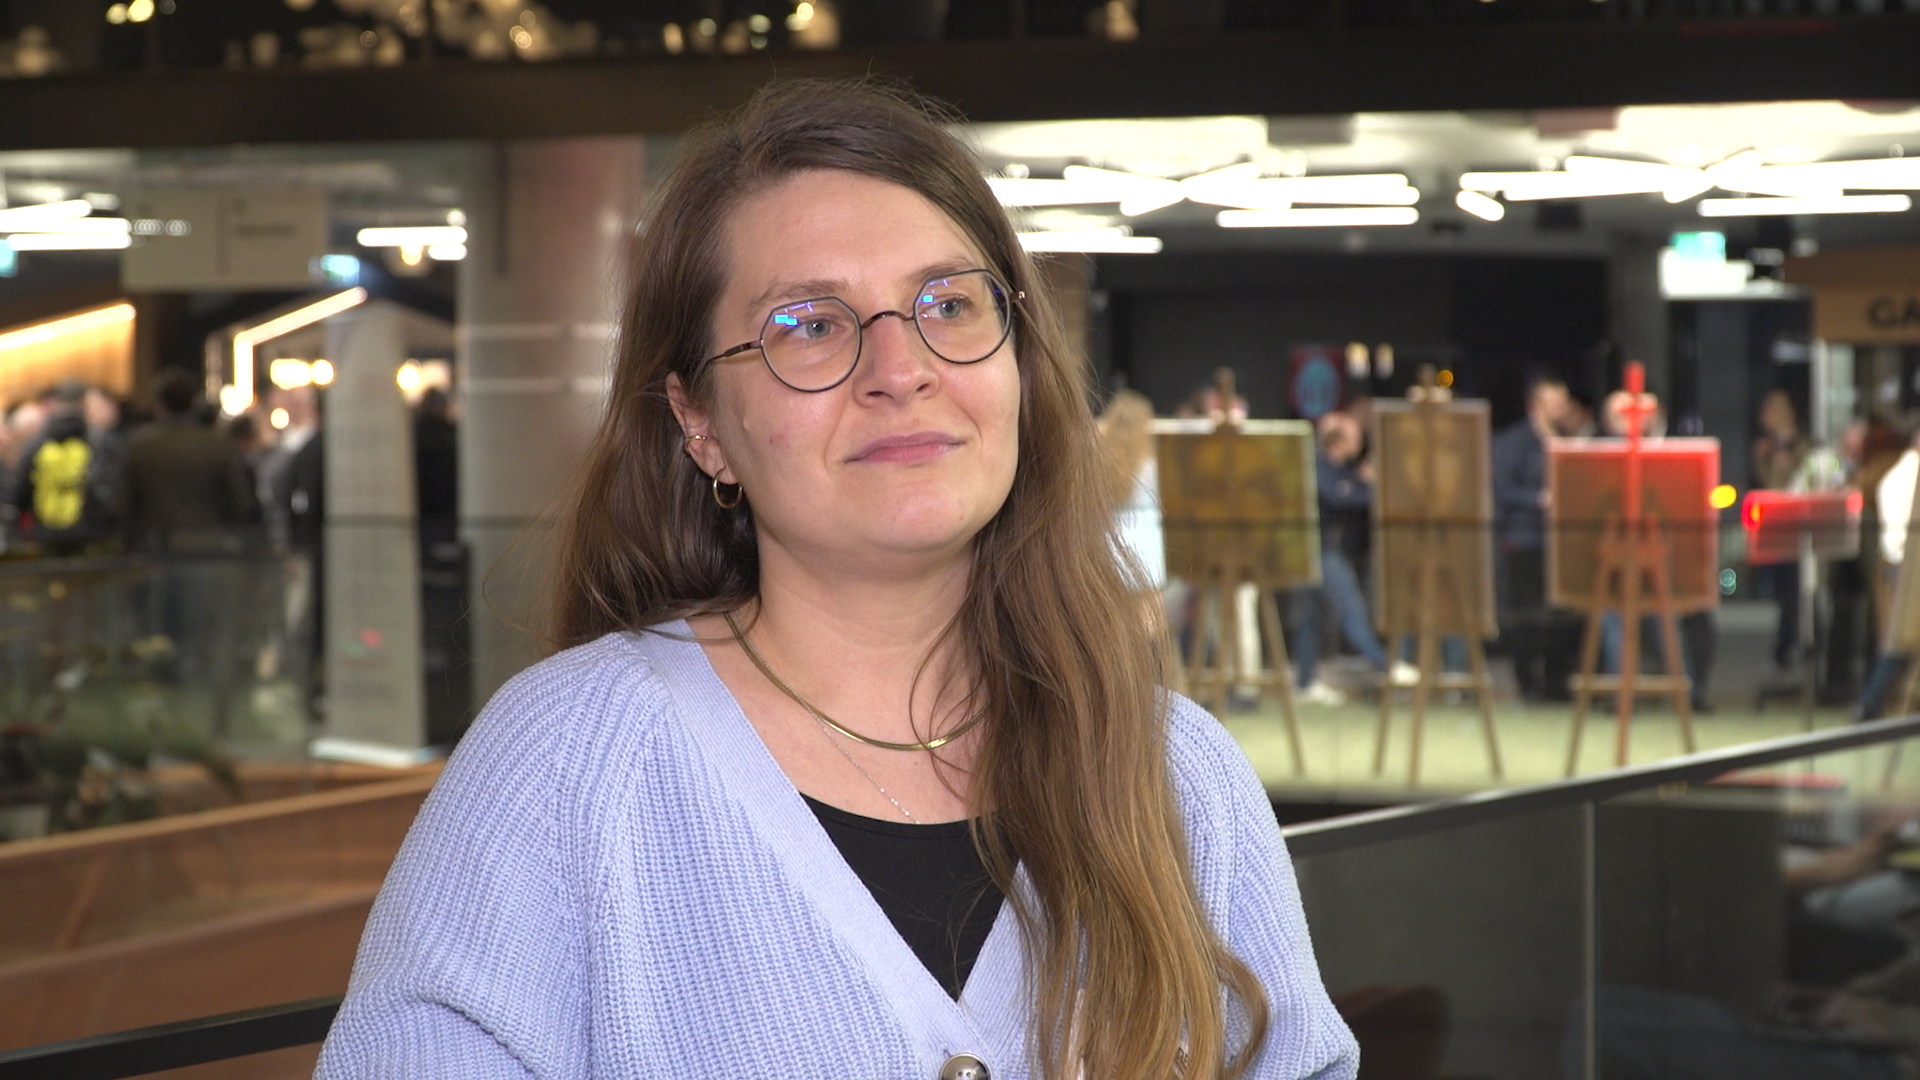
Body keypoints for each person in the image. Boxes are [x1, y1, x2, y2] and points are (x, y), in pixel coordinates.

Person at [316, 81, 1357, 1080]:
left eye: (948, 304)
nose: (901, 369)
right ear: (700, 422)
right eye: (810, 324)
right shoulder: (564, 765)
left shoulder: (1179, 776)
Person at [1292, 409, 1415, 703]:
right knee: (1350, 609)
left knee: (1312, 619)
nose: (1360, 443)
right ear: (1337, 441)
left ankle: (1305, 682)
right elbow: (1339, 497)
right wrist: (1370, 485)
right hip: (1319, 552)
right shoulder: (1319, 466)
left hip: (1325, 552)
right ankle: (1386, 664)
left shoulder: (1342, 470)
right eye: (1354, 437)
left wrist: (1361, 482)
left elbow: (1349, 490)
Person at [1491, 374, 1575, 702]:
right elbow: (1501, 489)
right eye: (1553, 403)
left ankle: (1556, 682)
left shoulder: (1568, 441)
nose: (1560, 409)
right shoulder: (1513, 442)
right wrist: (1538, 500)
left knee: (1562, 614)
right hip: (1523, 539)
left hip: (1560, 543)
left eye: (1562, 403)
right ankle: (1527, 682)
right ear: (1535, 405)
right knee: (1525, 613)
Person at [1753, 389, 1811, 670]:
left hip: (1800, 528)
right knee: (1784, 591)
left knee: (1798, 591)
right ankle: (1786, 647)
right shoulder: (1766, 448)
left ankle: (1795, 645)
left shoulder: (1803, 446)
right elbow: (1767, 485)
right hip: (1775, 529)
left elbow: (1796, 485)